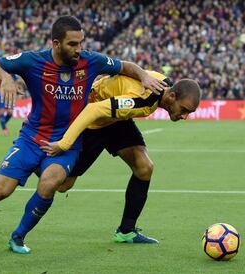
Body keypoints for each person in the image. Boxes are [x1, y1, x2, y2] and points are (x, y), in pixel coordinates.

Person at [0, 15, 167, 254]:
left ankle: (18, 237)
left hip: (67, 142)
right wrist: (6, 77)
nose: (78, 49)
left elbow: (124, 66)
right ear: (55, 43)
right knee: (1, 190)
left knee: (51, 183)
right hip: (31, 137)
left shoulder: (91, 61)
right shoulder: (33, 61)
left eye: (81, 43)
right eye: (72, 44)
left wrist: (144, 76)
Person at [40, 71, 201, 244]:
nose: (185, 116)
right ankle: (34, 157)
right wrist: (65, 143)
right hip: (93, 120)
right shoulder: (142, 101)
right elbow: (94, 109)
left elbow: (127, 74)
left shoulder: (163, 83)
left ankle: (126, 231)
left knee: (144, 167)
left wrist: (107, 79)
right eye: (184, 110)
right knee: (64, 185)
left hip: (115, 119)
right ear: (172, 95)